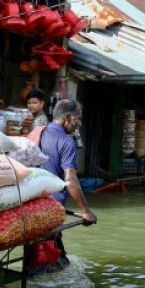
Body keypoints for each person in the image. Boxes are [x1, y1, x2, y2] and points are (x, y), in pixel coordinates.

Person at [26, 99, 97, 276]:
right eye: (77, 118)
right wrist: (85, 210)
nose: (79, 123)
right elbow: (71, 180)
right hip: (52, 209)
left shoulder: (38, 132)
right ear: (67, 118)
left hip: (32, 204)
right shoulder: (66, 142)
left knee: (53, 256)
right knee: (41, 263)